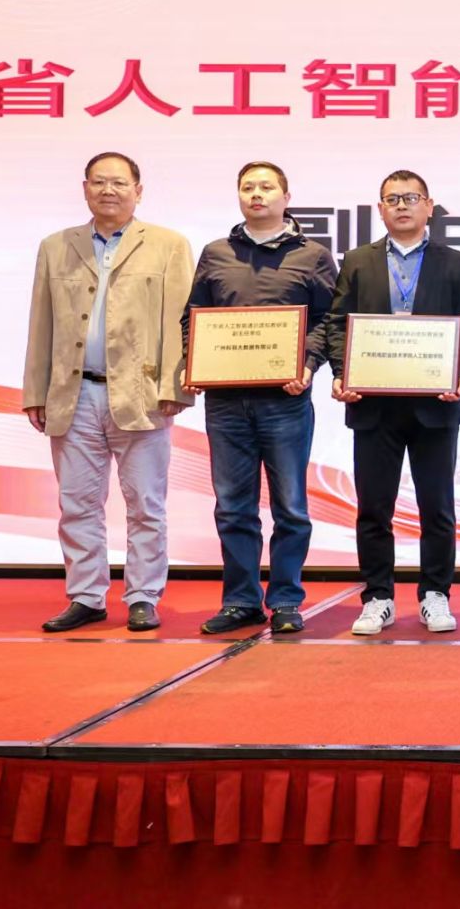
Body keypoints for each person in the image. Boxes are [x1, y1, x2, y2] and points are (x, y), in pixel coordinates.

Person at [24, 152, 194, 633]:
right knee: (77, 503)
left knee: (145, 505)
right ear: (85, 189)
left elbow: (180, 321)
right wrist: (35, 390)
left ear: (139, 191)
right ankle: (86, 596)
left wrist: (175, 386)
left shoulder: (168, 245)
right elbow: (41, 323)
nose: (108, 191)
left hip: (142, 394)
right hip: (72, 394)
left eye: (119, 183)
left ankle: (143, 596)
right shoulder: (56, 246)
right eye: (99, 182)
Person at [322, 171, 460, 636]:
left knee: (437, 507)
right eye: (392, 199)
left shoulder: (454, 262)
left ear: (429, 206)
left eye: (411, 198)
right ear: (380, 209)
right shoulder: (358, 260)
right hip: (373, 403)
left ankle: (435, 593)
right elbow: (338, 324)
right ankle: (378, 596)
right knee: (374, 507)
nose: (402, 206)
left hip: (435, 402)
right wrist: (341, 373)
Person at [182, 161, 337, 636]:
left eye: (267, 187)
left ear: (286, 198)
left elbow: (330, 320)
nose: (257, 194)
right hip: (226, 403)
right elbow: (194, 316)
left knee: (291, 508)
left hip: (285, 401)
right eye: (247, 187)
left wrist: (307, 364)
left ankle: (287, 599)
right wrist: (194, 361)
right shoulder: (216, 253)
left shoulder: (313, 255)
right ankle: (241, 601)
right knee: (233, 507)